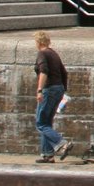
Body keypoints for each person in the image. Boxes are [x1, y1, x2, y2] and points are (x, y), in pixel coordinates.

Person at [33, 31, 72, 163]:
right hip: (58, 88)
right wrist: (63, 91)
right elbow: (64, 73)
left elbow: (43, 71)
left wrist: (39, 90)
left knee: (40, 123)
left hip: (49, 89)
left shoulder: (42, 54)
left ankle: (61, 143)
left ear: (39, 42)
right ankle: (47, 154)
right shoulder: (54, 53)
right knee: (47, 122)